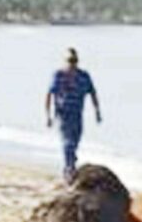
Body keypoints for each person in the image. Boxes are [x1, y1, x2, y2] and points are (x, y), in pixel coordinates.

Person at [43, 48, 101, 177]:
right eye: (69, 61)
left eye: (74, 61)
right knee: (67, 142)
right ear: (65, 61)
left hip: (78, 114)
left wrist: (97, 111)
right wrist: (48, 115)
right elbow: (49, 94)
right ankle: (69, 168)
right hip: (63, 113)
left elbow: (93, 93)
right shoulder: (58, 75)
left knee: (75, 140)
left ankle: (71, 161)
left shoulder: (84, 76)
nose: (72, 64)